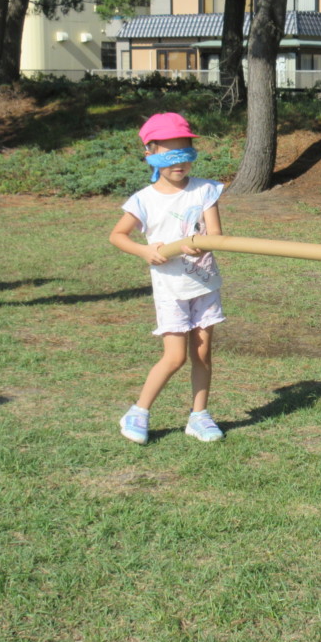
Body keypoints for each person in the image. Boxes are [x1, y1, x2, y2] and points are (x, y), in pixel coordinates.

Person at [110, 113, 226, 445]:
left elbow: (216, 235)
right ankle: (138, 412)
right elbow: (117, 236)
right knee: (175, 357)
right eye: (170, 154)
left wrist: (199, 242)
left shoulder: (205, 190)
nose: (179, 162)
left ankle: (199, 416)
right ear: (150, 154)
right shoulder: (143, 200)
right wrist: (145, 251)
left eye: (185, 152)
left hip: (204, 284)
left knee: (202, 355)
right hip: (170, 288)